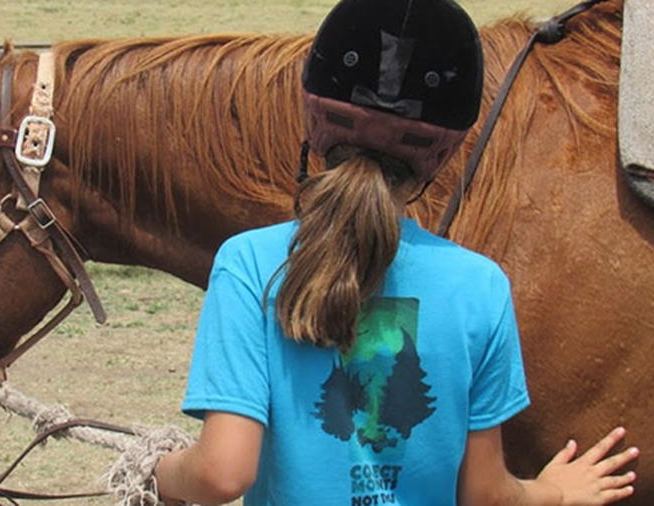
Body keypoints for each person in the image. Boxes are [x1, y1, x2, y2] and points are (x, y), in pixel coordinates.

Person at [151, 0, 639, 504]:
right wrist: (554, 492)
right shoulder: (482, 285)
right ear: (443, 152)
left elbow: (219, 474)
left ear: (315, 121)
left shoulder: (249, 264)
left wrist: (156, 469)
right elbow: (485, 494)